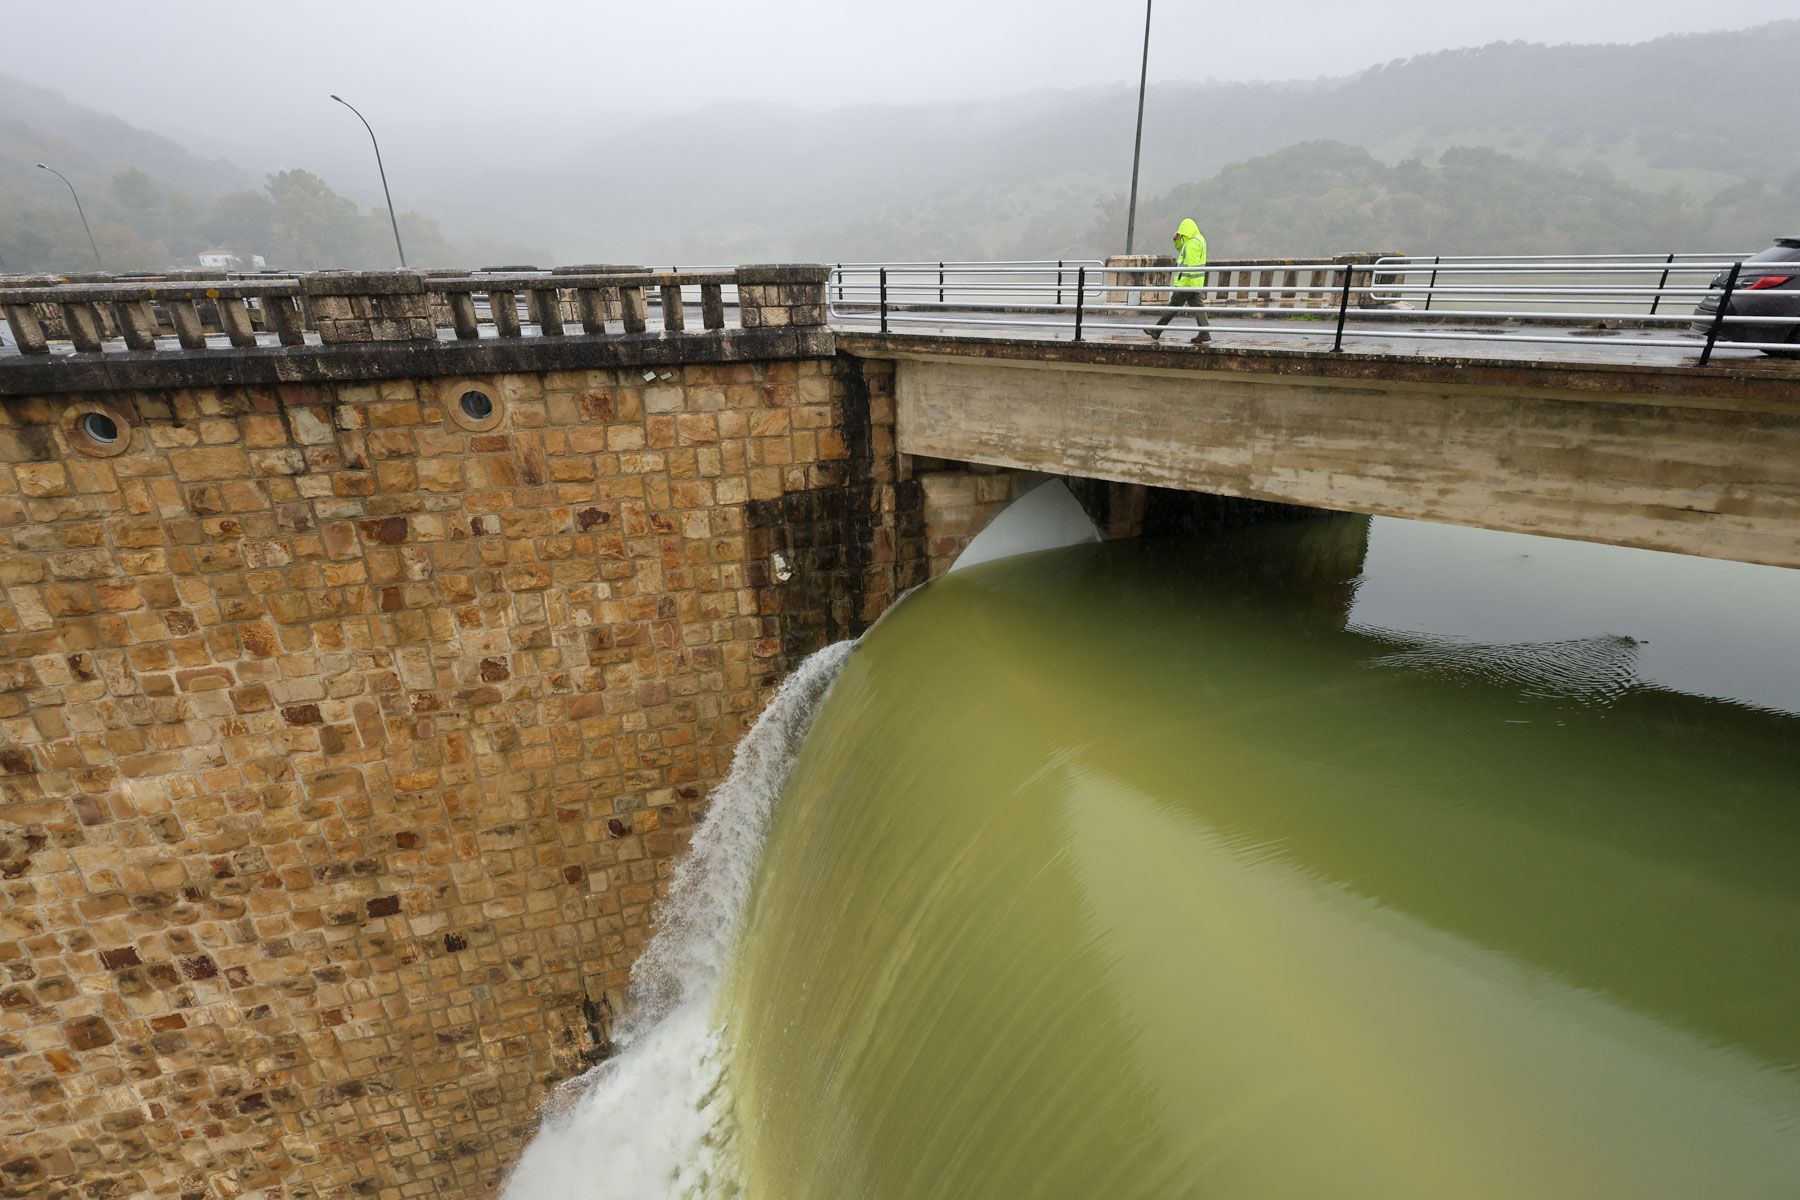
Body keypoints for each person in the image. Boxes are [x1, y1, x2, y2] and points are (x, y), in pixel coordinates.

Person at [1148, 217, 1211, 344]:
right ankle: (1204, 333)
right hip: (1194, 283)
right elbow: (1181, 249)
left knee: (1173, 306)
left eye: (1182, 232)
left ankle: (1156, 330)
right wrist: (1176, 239)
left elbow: (1192, 265)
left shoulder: (1192, 243)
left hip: (1186, 283)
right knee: (1199, 308)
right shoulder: (1198, 239)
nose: (1181, 234)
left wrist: (1192, 286)